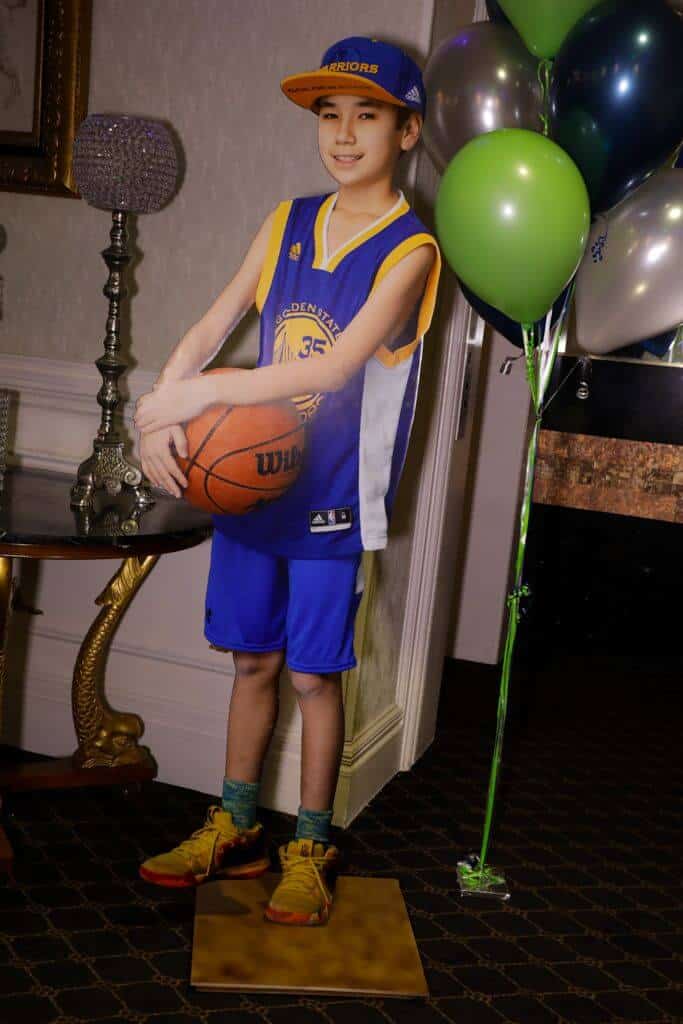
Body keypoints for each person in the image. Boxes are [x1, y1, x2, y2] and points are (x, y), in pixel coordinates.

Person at [133, 36, 441, 926]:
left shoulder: (411, 249)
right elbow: (214, 319)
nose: (343, 135)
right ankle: (234, 824)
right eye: (328, 115)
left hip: (331, 501)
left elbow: (336, 370)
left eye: (367, 114)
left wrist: (205, 391)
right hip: (253, 490)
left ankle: (309, 841)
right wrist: (160, 402)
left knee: (312, 677)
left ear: (407, 130)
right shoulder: (286, 219)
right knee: (252, 660)